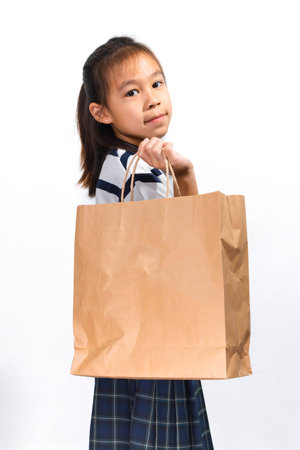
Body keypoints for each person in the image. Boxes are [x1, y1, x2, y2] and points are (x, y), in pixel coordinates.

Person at [76, 35, 215, 449]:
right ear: (100, 112)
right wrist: (179, 177)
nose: (152, 99)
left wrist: (184, 174)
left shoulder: (117, 164)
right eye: (132, 92)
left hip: (130, 339)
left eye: (157, 84)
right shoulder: (134, 169)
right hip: (157, 341)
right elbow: (192, 253)